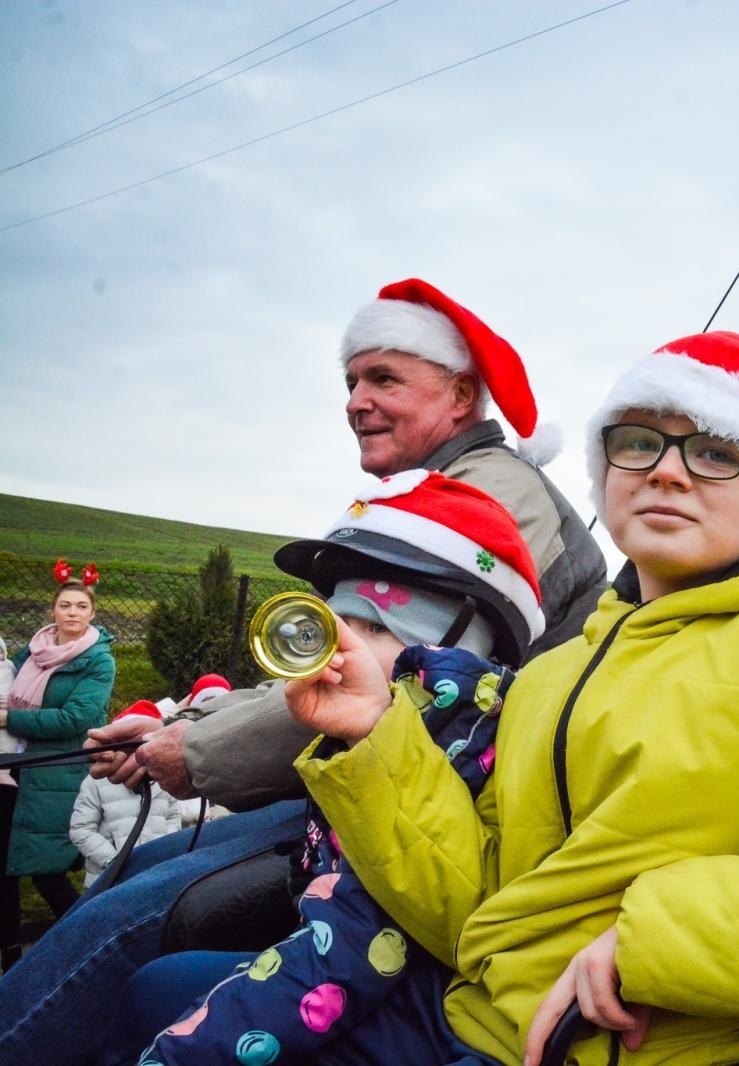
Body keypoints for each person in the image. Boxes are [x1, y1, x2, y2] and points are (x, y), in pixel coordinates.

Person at [286, 332, 739, 1064]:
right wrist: (374, 732)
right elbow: (483, 916)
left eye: (715, 451)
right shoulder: (553, 673)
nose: (667, 470)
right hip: (468, 1024)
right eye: (637, 443)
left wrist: (656, 944)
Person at [0, 280, 607, 1061]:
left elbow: (376, 685)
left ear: (461, 395)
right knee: (140, 873)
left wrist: (194, 752)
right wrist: (179, 724)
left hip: (441, 804)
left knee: (124, 923)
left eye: (384, 378)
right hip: (377, 783)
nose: (356, 401)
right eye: (351, 381)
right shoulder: (427, 495)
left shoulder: (489, 497)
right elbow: (323, 659)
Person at [106, 472, 542, 1065]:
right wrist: (180, 721)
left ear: (458, 648)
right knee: (153, 986)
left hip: (409, 998)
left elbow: (349, 951)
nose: (342, 649)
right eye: (334, 624)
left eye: (377, 627)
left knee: (146, 978)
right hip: (350, 962)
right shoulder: (393, 721)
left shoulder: (455, 751)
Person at [1, 568, 115, 969]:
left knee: (46, 869)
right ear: (53, 610)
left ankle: (91, 945)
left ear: (92, 613)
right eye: (65, 605)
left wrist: (9, 719)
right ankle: (10, 959)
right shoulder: (30, 653)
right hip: (12, 769)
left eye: (81, 606)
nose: (72, 612)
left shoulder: (98, 662)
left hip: (56, 773)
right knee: (5, 869)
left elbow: (74, 719)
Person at [69, 702, 185, 889]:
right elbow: (81, 829)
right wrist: (114, 861)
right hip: (110, 881)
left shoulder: (163, 778)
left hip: (157, 874)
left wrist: (166, 850)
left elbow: (172, 816)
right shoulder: (96, 782)